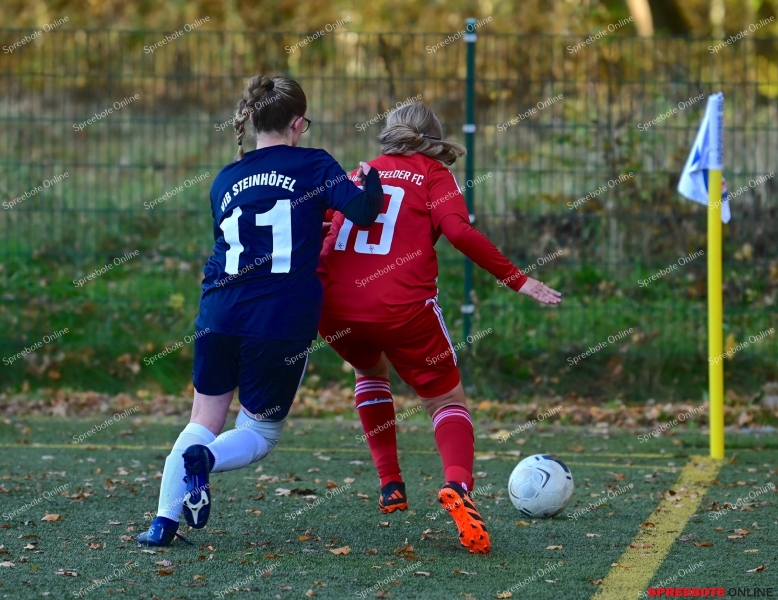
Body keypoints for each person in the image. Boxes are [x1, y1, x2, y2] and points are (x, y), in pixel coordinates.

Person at [137, 75, 383, 546]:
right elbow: (364, 212)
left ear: (251, 120)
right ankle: (204, 462)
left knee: (200, 422)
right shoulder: (315, 165)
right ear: (297, 123)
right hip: (279, 318)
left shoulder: (226, 177)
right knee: (260, 432)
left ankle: (162, 525)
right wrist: (370, 179)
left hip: (218, 312)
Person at [317, 102, 561, 554]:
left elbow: (322, 222)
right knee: (446, 400)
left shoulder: (361, 171)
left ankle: (391, 485)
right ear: (433, 137)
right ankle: (459, 490)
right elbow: (459, 232)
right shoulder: (432, 174)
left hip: (332, 306)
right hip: (401, 307)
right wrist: (519, 279)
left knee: (370, 373)